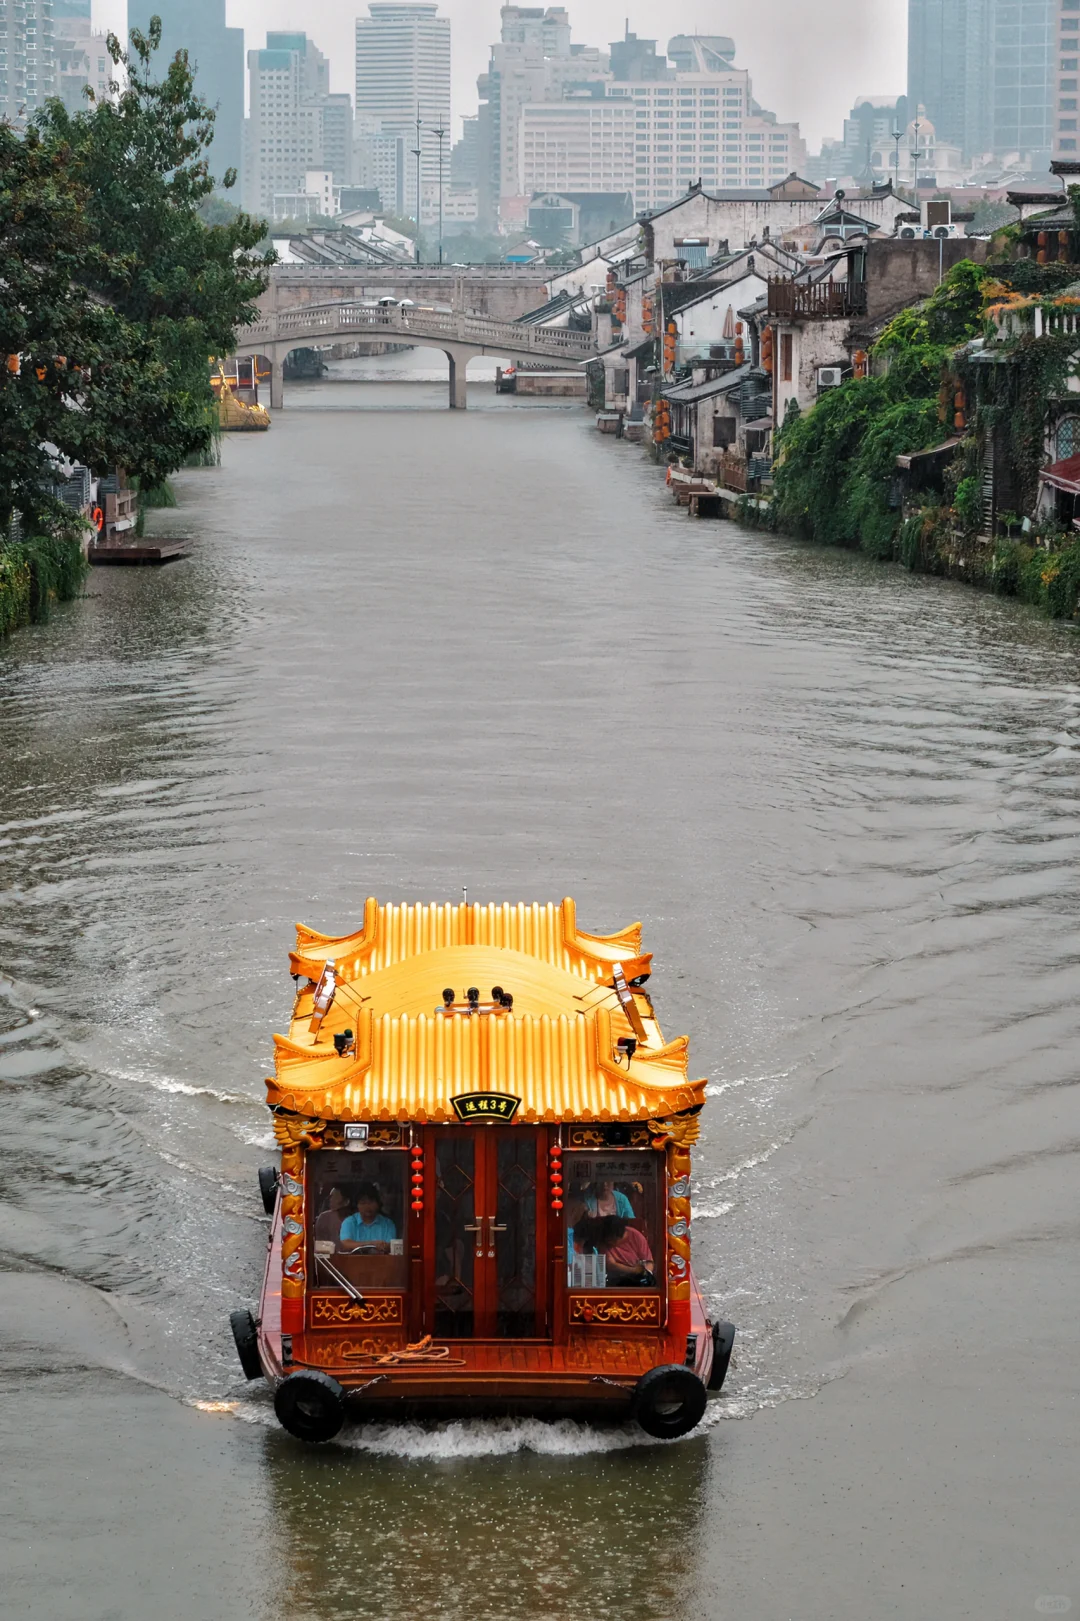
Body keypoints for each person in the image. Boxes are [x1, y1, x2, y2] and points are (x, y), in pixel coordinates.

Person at [338, 1182, 397, 1252]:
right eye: (363, 1203)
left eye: (371, 1202)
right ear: (357, 1205)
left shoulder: (388, 1224)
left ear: (378, 1203)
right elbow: (345, 1245)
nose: (367, 1206)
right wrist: (371, 1244)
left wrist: (384, 1246)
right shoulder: (349, 1222)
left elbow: (391, 1246)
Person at [597, 1216, 653, 1285]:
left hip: (638, 1279)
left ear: (618, 1237)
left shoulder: (636, 1236)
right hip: (615, 1280)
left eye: (610, 1240)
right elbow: (611, 1265)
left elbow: (649, 1261)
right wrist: (634, 1270)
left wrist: (646, 1273)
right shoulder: (604, 1240)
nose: (608, 1242)